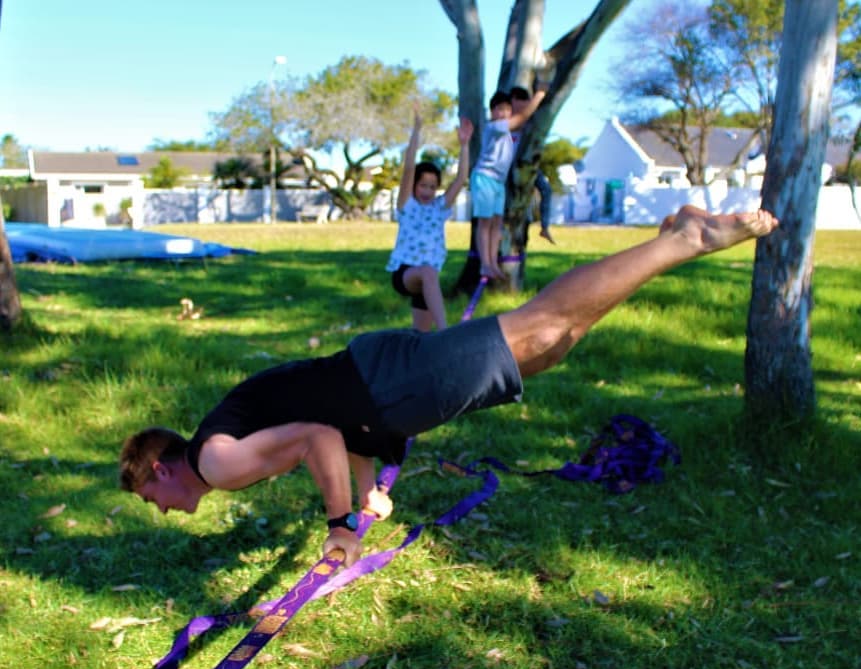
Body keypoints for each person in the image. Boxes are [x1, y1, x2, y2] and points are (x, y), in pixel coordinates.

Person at [119, 206, 779, 569]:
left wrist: (338, 522)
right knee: (548, 346)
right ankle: (661, 242)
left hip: (388, 384)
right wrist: (369, 484)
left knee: (541, 325)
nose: (161, 506)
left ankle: (684, 240)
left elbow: (317, 435)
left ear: (160, 465)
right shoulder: (214, 442)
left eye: (150, 493)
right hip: (377, 379)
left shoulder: (214, 461)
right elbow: (324, 421)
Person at [386, 107, 473, 331]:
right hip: (406, 273)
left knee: (421, 337)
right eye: (423, 185)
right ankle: (446, 332)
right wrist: (417, 129)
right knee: (428, 272)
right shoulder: (407, 205)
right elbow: (408, 168)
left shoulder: (439, 207)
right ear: (414, 185)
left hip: (428, 282)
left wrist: (464, 145)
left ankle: (416, 357)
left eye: (432, 187)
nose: (427, 190)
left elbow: (462, 177)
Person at [470, 86, 547, 280]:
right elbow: (521, 119)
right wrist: (539, 95)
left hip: (498, 182)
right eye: (499, 109)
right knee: (485, 223)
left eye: (507, 110)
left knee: (497, 224)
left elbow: (521, 122)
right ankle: (485, 264)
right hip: (485, 177)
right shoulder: (494, 127)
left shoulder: (508, 132)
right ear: (492, 111)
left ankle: (492, 263)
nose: (503, 113)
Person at [510, 85, 556, 244]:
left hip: (525, 167)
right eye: (521, 102)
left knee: (545, 189)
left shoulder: (528, 126)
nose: (524, 108)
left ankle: (544, 226)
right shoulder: (504, 124)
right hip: (506, 169)